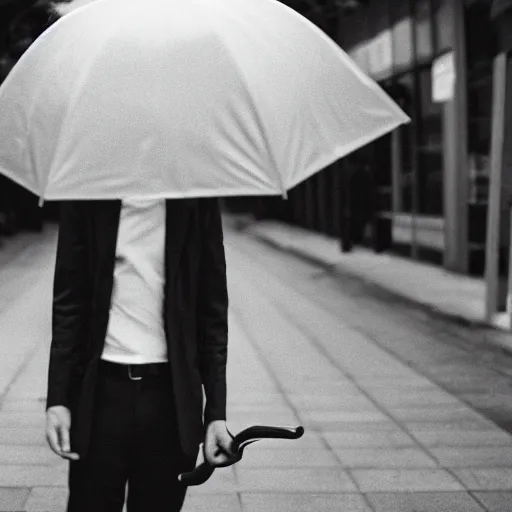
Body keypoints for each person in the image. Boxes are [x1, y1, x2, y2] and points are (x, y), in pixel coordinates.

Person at [46, 198, 237, 512]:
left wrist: (216, 413)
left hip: (170, 401)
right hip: (100, 397)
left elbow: (212, 314)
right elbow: (69, 303)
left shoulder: (196, 198)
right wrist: (58, 399)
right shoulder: (87, 192)